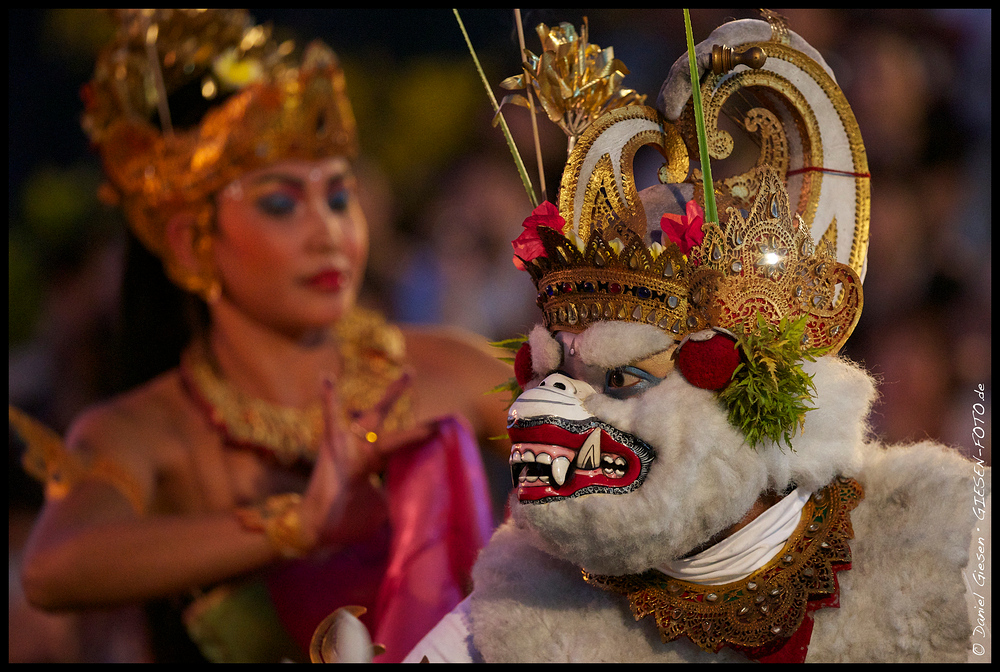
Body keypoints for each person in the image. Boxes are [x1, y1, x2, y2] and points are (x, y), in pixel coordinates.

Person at [16, 9, 511, 663]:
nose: (327, 231)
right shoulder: (149, 433)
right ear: (191, 241)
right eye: (281, 203)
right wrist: (296, 526)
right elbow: (54, 569)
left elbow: (615, 447)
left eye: (338, 197)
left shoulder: (447, 368)